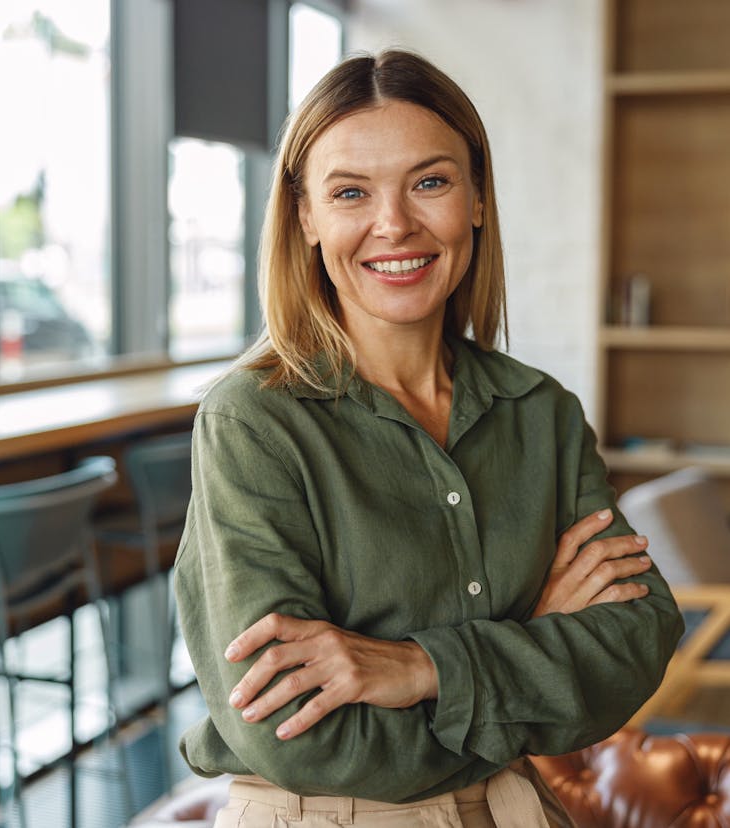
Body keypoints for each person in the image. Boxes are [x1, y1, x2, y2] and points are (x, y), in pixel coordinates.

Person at [173, 49, 684, 827]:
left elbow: (635, 643)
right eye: (350, 192)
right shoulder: (254, 422)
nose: (394, 224)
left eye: (431, 182)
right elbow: (290, 732)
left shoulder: (542, 413)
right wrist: (531, 648)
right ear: (306, 216)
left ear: (476, 198)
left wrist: (420, 668)